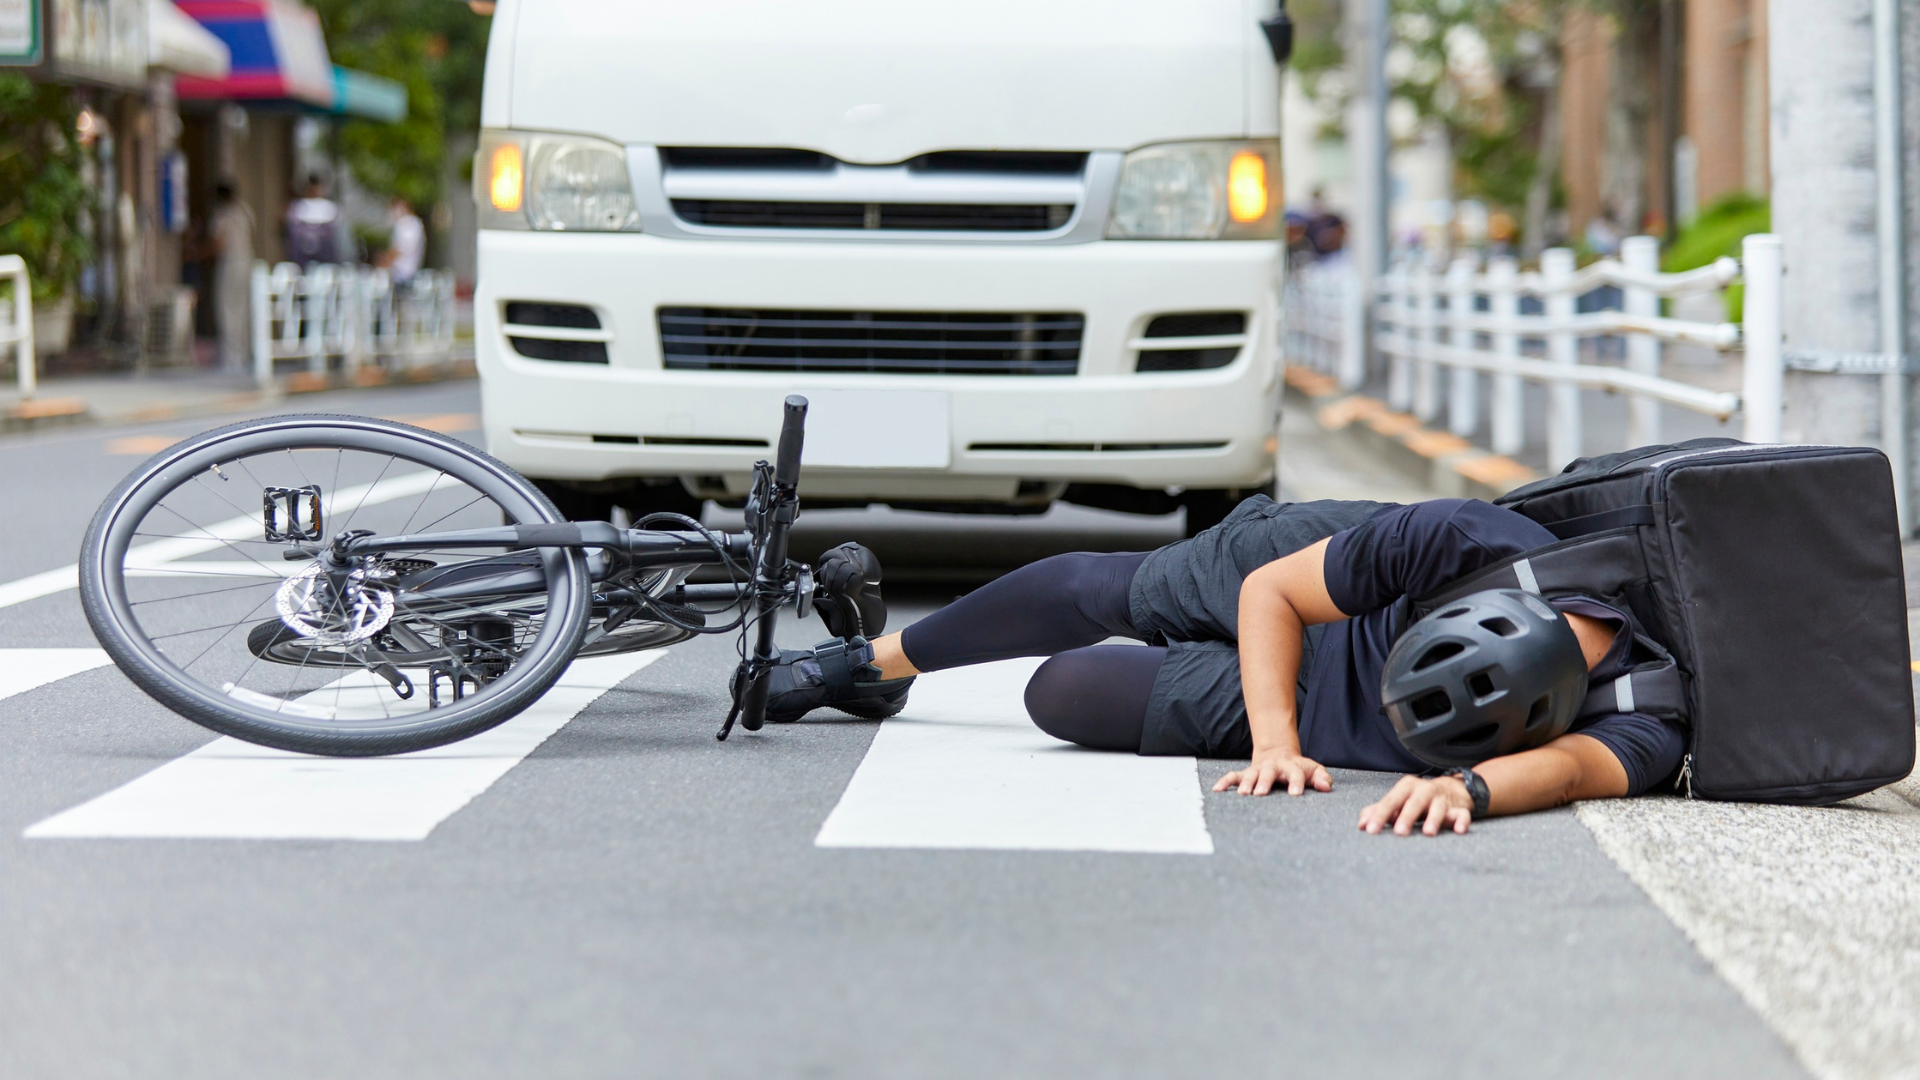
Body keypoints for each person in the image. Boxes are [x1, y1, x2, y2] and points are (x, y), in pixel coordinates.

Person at [763, 497, 1687, 838]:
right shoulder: (1469, 543)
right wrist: (1275, 744)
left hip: (1336, 711)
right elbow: (1272, 597)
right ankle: (872, 662)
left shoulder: (1650, 713)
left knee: (1062, 693)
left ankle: (1217, 681)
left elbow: (1572, 771)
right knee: (1102, 592)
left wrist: (1471, 791)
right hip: (1308, 585)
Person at [207, 180, 255, 371]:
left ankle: (232, 356)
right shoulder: (245, 210)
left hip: (230, 263)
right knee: (245, 307)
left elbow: (218, 243)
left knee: (227, 308)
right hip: (248, 260)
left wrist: (199, 253)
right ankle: (246, 351)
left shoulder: (222, 214)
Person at [284, 173, 341, 267]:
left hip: (324, 248)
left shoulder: (329, 207)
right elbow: (293, 227)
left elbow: (333, 228)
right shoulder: (298, 206)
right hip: (302, 248)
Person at [380, 195, 426, 284]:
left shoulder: (407, 224)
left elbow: (401, 249)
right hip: (406, 272)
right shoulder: (413, 224)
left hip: (402, 273)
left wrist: (385, 262)